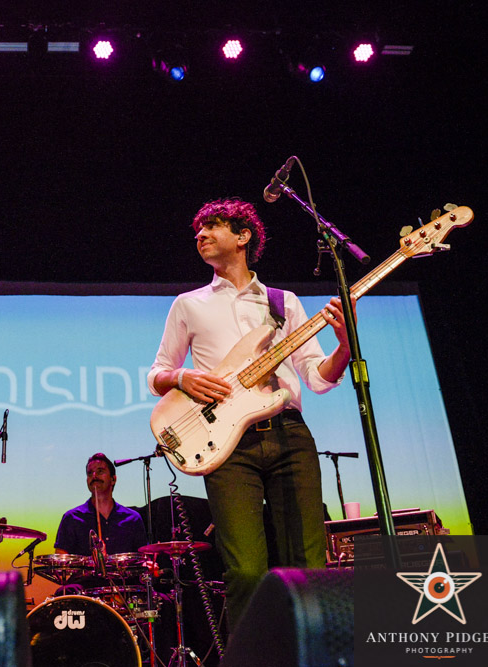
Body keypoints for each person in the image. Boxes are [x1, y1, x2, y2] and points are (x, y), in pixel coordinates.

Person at [146, 198, 353, 633]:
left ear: (243, 237)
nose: (199, 236)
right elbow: (157, 373)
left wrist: (345, 347)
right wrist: (183, 378)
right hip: (228, 446)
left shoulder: (284, 302)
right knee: (243, 571)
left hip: (290, 436)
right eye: (197, 231)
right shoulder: (189, 304)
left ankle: (313, 654)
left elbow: (316, 377)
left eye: (211, 227)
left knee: (309, 562)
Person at [54, 453, 148, 557]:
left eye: (100, 471)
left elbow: (143, 559)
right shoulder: (71, 518)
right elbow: (61, 563)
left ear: (113, 479)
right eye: (90, 473)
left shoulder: (133, 519)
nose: (94, 476)